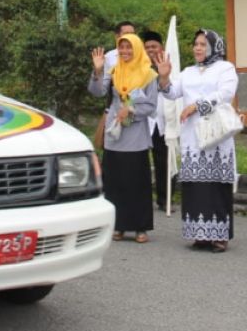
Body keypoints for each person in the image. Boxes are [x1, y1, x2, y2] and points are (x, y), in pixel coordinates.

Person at [157, 29, 238, 252]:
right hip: (193, 137)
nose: (198, 48)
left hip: (216, 136)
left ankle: (219, 236)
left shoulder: (225, 68)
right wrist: (164, 77)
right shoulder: (188, 72)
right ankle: (199, 234)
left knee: (216, 187)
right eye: (196, 44)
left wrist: (197, 105)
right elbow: (172, 93)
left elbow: (225, 94)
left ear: (213, 47)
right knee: (196, 187)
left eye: (203, 44)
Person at [88, 33, 157, 243]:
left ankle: (140, 228)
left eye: (129, 48)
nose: (125, 52)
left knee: (137, 183)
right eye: (122, 48)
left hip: (135, 136)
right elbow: (97, 92)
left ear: (137, 49)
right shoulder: (114, 70)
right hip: (114, 135)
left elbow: (151, 105)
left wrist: (131, 110)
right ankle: (118, 226)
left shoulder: (148, 74)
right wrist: (97, 71)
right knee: (115, 182)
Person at [140, 30, 170, 212]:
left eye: (154, 46)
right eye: (147, 47)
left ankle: (164, 199)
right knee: (141, 162)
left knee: (163, 161)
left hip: (162, 121)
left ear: (162, 48)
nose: (150, 50)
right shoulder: (140, 68)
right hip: (144, 120)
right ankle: (142, 199)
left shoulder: (167, 66)